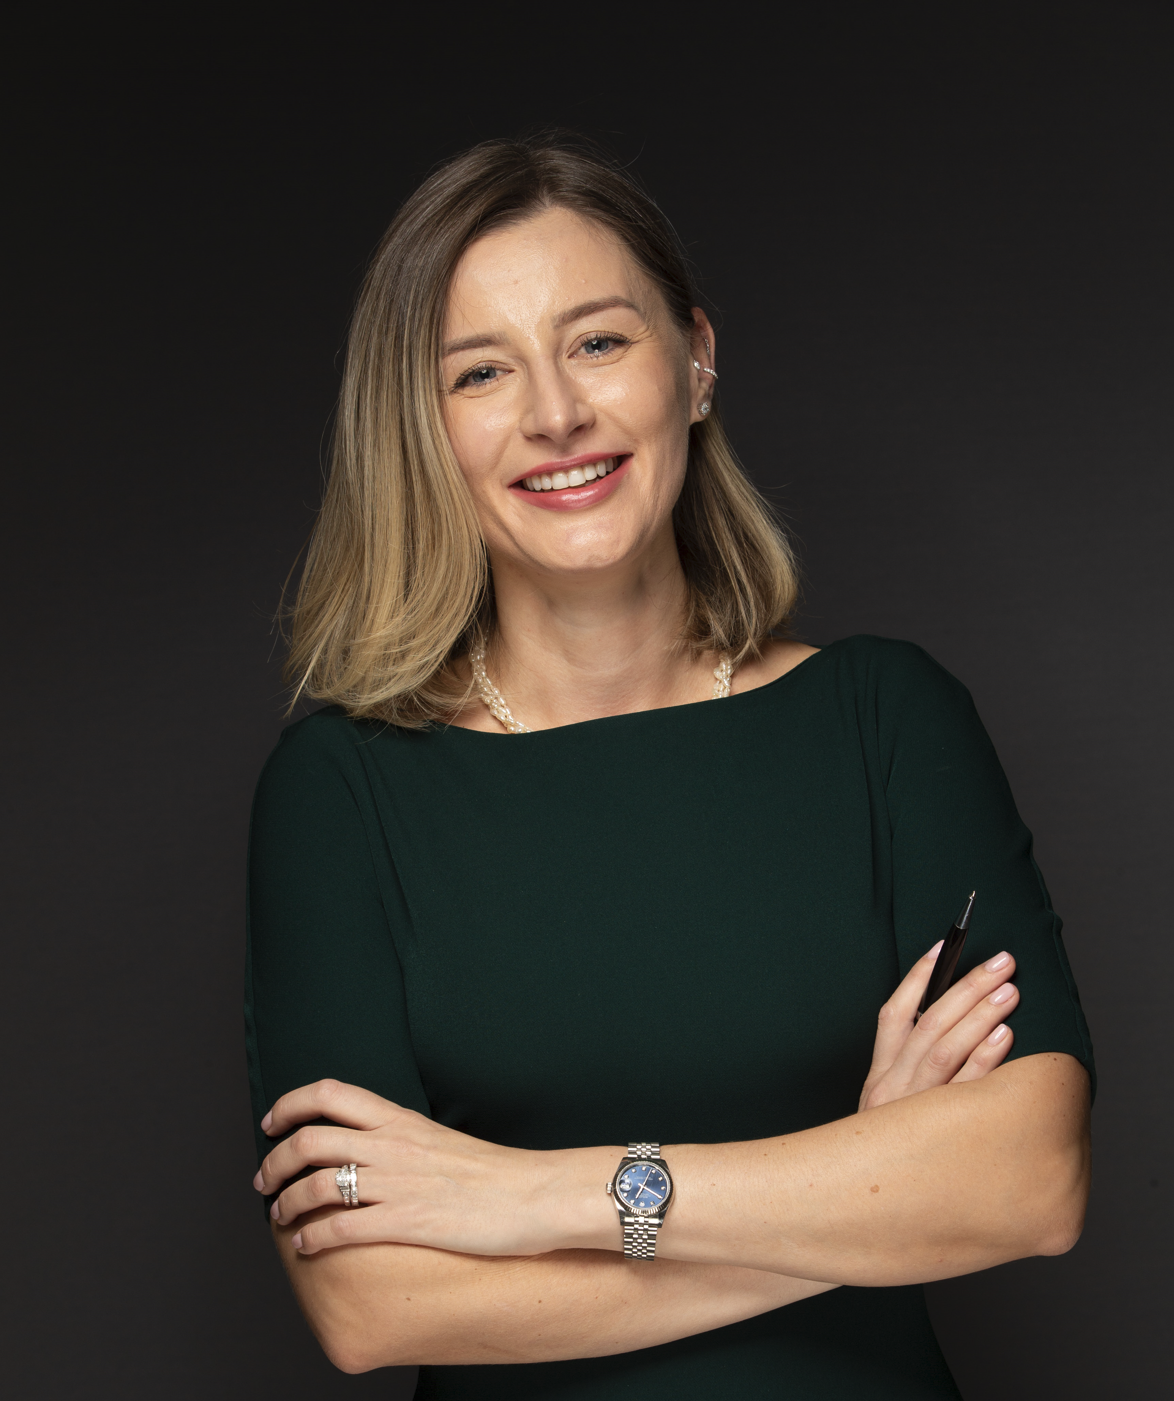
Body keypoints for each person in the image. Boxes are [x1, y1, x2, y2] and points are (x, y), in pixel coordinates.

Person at [245, 135, 1093, 1400]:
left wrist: (530, 1194)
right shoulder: (342, 794)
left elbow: (1028, 1184)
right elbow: (372, 1304)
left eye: (597, 341)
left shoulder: (885, 721)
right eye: (481, 372)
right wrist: (864, 1180)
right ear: (424, 432)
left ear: (693, 361)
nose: (554, 414)